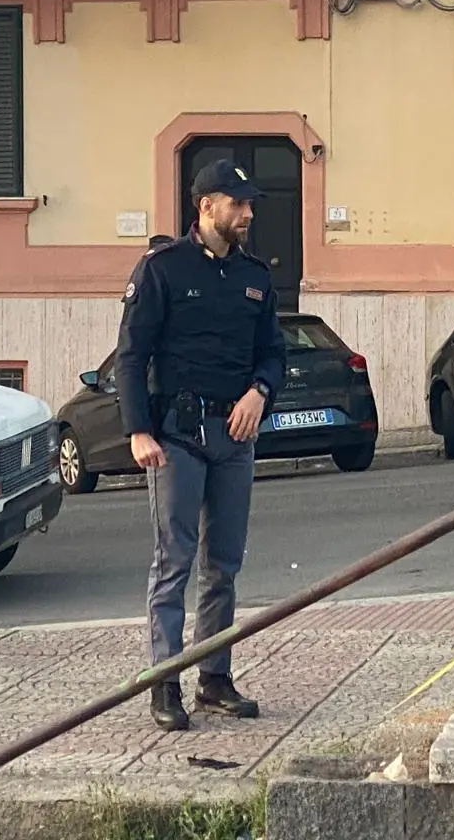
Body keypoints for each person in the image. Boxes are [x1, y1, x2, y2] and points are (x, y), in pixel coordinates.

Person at [115, 159, 286, 730]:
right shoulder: (162, 269)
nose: (248, 214)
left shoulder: (256, 276)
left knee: (224, 565)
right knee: (174, 563)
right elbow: (132, 356)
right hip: (176, 439)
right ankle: (165, 682)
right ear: (206, 205)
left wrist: (261, 392)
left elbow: (273, 353)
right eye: (238, 204)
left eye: (249, 204)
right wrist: (138, 430)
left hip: (235, 438)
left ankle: (215, 677)